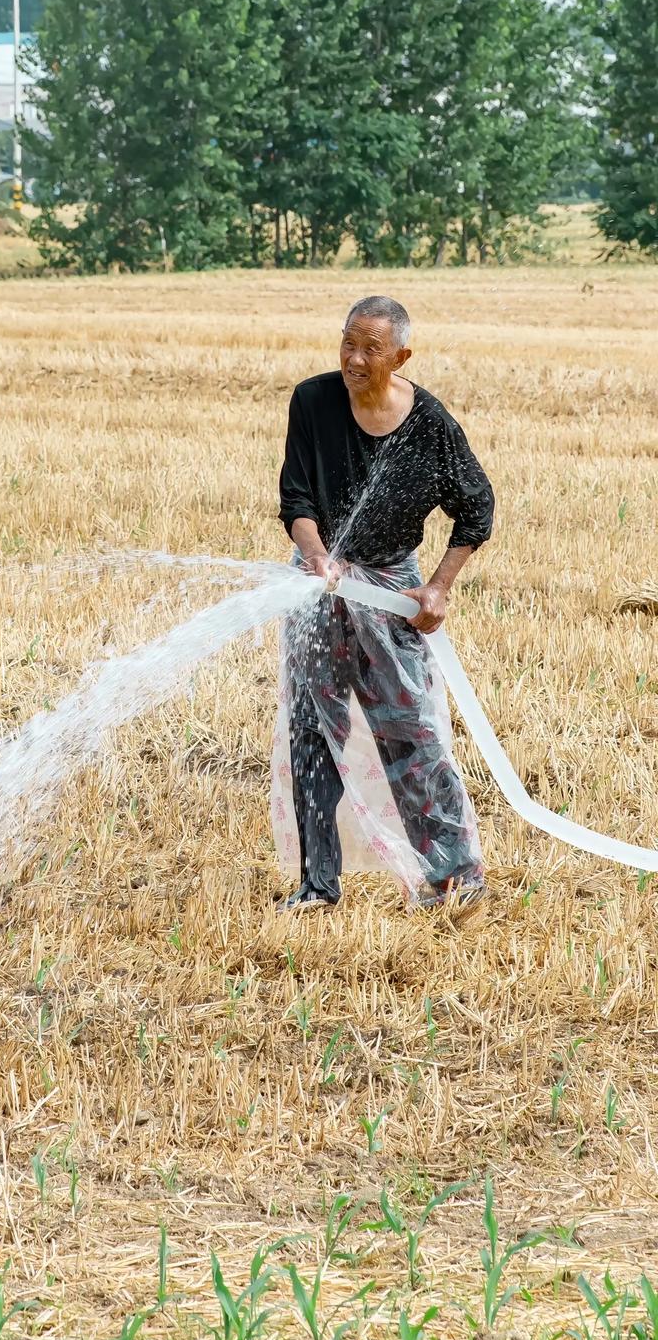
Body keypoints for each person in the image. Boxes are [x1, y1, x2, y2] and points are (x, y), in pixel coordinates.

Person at [273, 294, 494, 913]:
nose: (355, 358)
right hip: (322, 588)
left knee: (412, 732)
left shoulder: (429, 425)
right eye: (348, 342)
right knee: (312, 731)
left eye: (372, 348)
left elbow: (476, 509)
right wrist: (318, 557)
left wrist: (438, 588)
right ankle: (318, 886)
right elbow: (296, 499)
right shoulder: (311, 401)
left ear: (401, 356)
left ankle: (454, 877)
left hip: (392, 594)